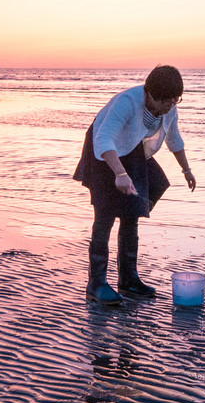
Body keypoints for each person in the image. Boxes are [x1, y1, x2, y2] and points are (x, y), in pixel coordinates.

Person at [72, 65, 196, 305]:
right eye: (166, 102)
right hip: (103, 151)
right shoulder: (127, 102)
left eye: (175, 100)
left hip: (130, 149)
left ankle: (128, 279)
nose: (170, 106)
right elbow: (103, 138)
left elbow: (174, 138)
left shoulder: (169, 108)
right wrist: (119, 173)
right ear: (150, 94)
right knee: (105, 214)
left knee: (135, 208)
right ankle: (96, 284)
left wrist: (187, 169)